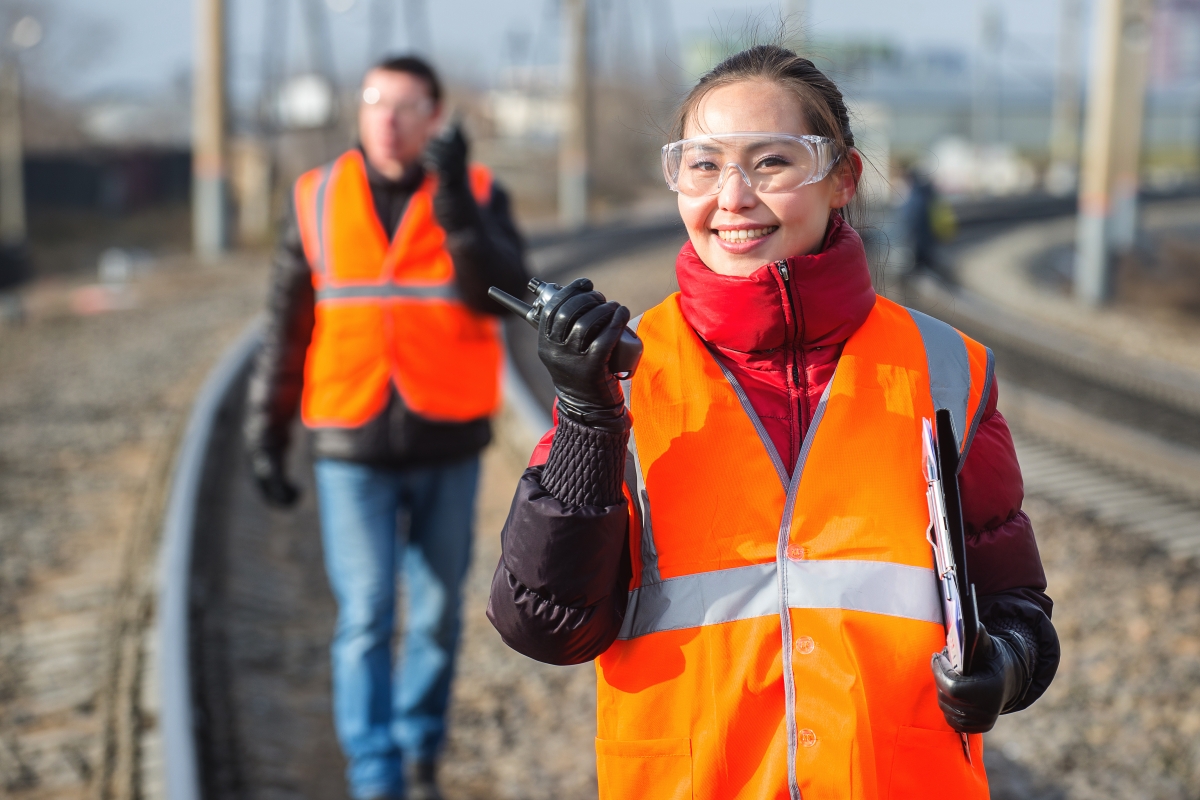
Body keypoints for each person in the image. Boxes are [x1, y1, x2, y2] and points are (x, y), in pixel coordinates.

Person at [487, 45, 1058, 799]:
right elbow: (548, 627)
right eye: (702, 164)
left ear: (842, 179)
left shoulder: (949, 369)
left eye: (770, 163)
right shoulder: (623, 375)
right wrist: (589, 418)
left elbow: (1017, 609)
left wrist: (1005, 665)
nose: (732, 196)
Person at [245, 55, 527, 800]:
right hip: (350, 439)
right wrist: (265, 432)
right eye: (375, 102)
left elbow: (507, 296)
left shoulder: (476, 191)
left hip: (449, 434)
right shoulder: (313, 196)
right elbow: (285, 325)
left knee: (434, 615)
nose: (388, 119)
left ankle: (420, 748)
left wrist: (460, 211)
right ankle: (376, 774)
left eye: (406, 105)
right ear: (360, 112)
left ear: (435, 117)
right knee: (367, 614)